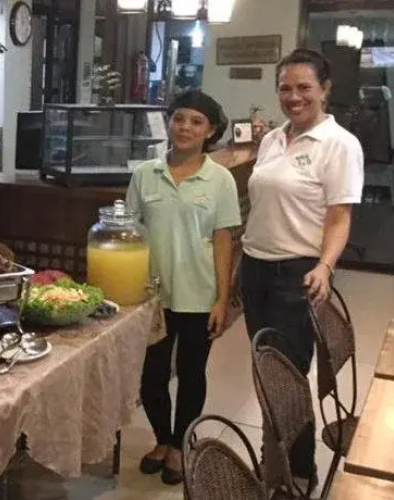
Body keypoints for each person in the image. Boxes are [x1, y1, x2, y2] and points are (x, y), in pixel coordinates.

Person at [240, 48, 363, 493]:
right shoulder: (273, 139)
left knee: (288, 376)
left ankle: (298, 471)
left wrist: (325, 267)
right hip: (254, 268)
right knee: (264, 370)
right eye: (285, 88)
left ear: (324, 89)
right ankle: (271, 459)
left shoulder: (340, 144)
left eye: (304, 87)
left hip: (297, 274)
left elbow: (339, 217)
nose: (294, 97)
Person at [127, 91, 241, 485]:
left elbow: (224, 241)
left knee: (192, 374)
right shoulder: (145, 174)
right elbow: (130, 234)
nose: (185, 127)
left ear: (210, 130)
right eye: (178, 118)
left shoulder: (220, 179)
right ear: (168, 122)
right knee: (151, 376)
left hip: (199, 294)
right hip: (152, 297)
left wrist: (222, 299)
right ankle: (162, 438)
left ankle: (179, 445)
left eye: (196, 121)